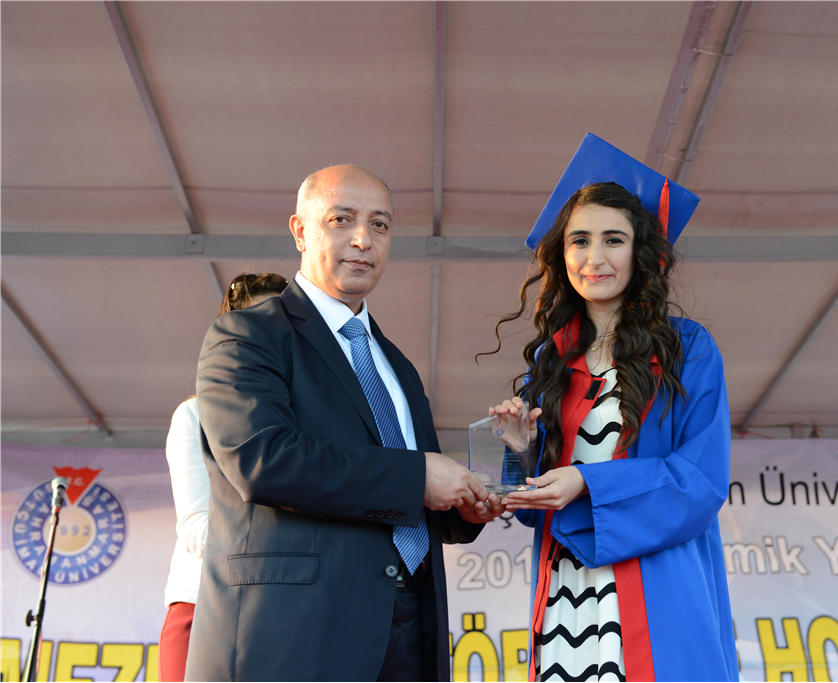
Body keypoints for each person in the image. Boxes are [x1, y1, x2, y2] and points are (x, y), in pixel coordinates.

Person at [184, 165, 502, 682]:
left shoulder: (396, 366)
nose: (362, 240)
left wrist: (466, 506)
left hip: (409, 631)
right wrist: (419, 477)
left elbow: (414, 500)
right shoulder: (247, 335)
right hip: (293, 637)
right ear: (300, 230)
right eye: (341, 219)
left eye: (380, 225)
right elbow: (263, 460)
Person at [486, 134, 738, 681]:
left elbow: (699, 481)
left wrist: (586, 481)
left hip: (656, 588)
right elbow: (530, 507)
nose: (594, 258)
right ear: (562, 254)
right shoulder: (550, 362)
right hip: (566, 590)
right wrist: (521, 452)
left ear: (640, 252)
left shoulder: (687, 349)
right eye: (579, 240)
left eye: (613, 240)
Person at [159, 272, 289, 682]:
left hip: (284, 612)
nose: (269, 333)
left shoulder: (305, 424)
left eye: (281, 321)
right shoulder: (194, 415)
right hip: (204, 605)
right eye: (255, 321)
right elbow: (197, 528)